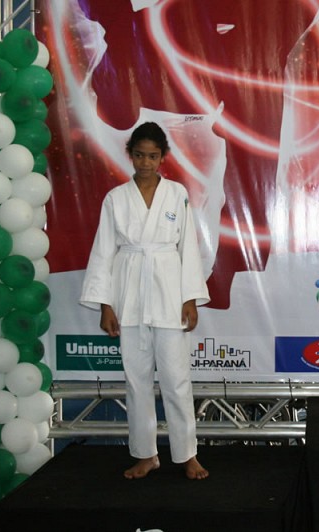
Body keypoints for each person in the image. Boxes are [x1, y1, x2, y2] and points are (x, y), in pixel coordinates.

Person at [80, 122, 211, 479]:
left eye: (153, 156)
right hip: (130, 296)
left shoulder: (177, 194)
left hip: (169, 293)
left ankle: (187, 455)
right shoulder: (116, 198)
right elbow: (103, 252)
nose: (146, 162)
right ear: (131, 155)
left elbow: (188, 248)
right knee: (136, 381)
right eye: (139, 155)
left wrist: (190, 298)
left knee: (176, 379)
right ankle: (145, 454)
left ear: (162, 157)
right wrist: (106, 304)